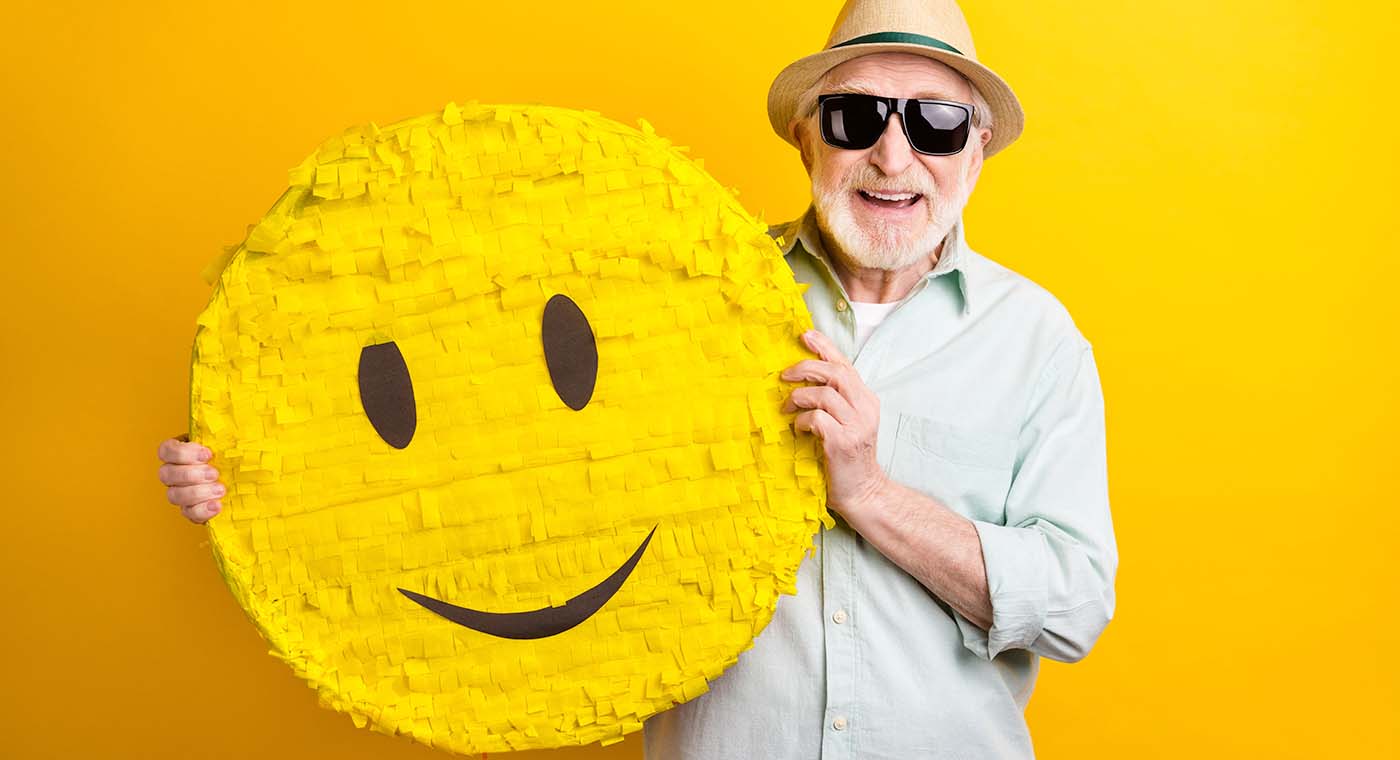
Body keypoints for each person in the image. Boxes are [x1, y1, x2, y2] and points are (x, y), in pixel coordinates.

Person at [158, 0, 1117, 757]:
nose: (893, 155)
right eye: (856, 114)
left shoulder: (1036, 341)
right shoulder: (675, 292)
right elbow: (490, 450)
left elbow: (1074, 607)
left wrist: (866, 492)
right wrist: (258, 481)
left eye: (938, 124)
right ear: (805, 136)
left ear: (977, 148)